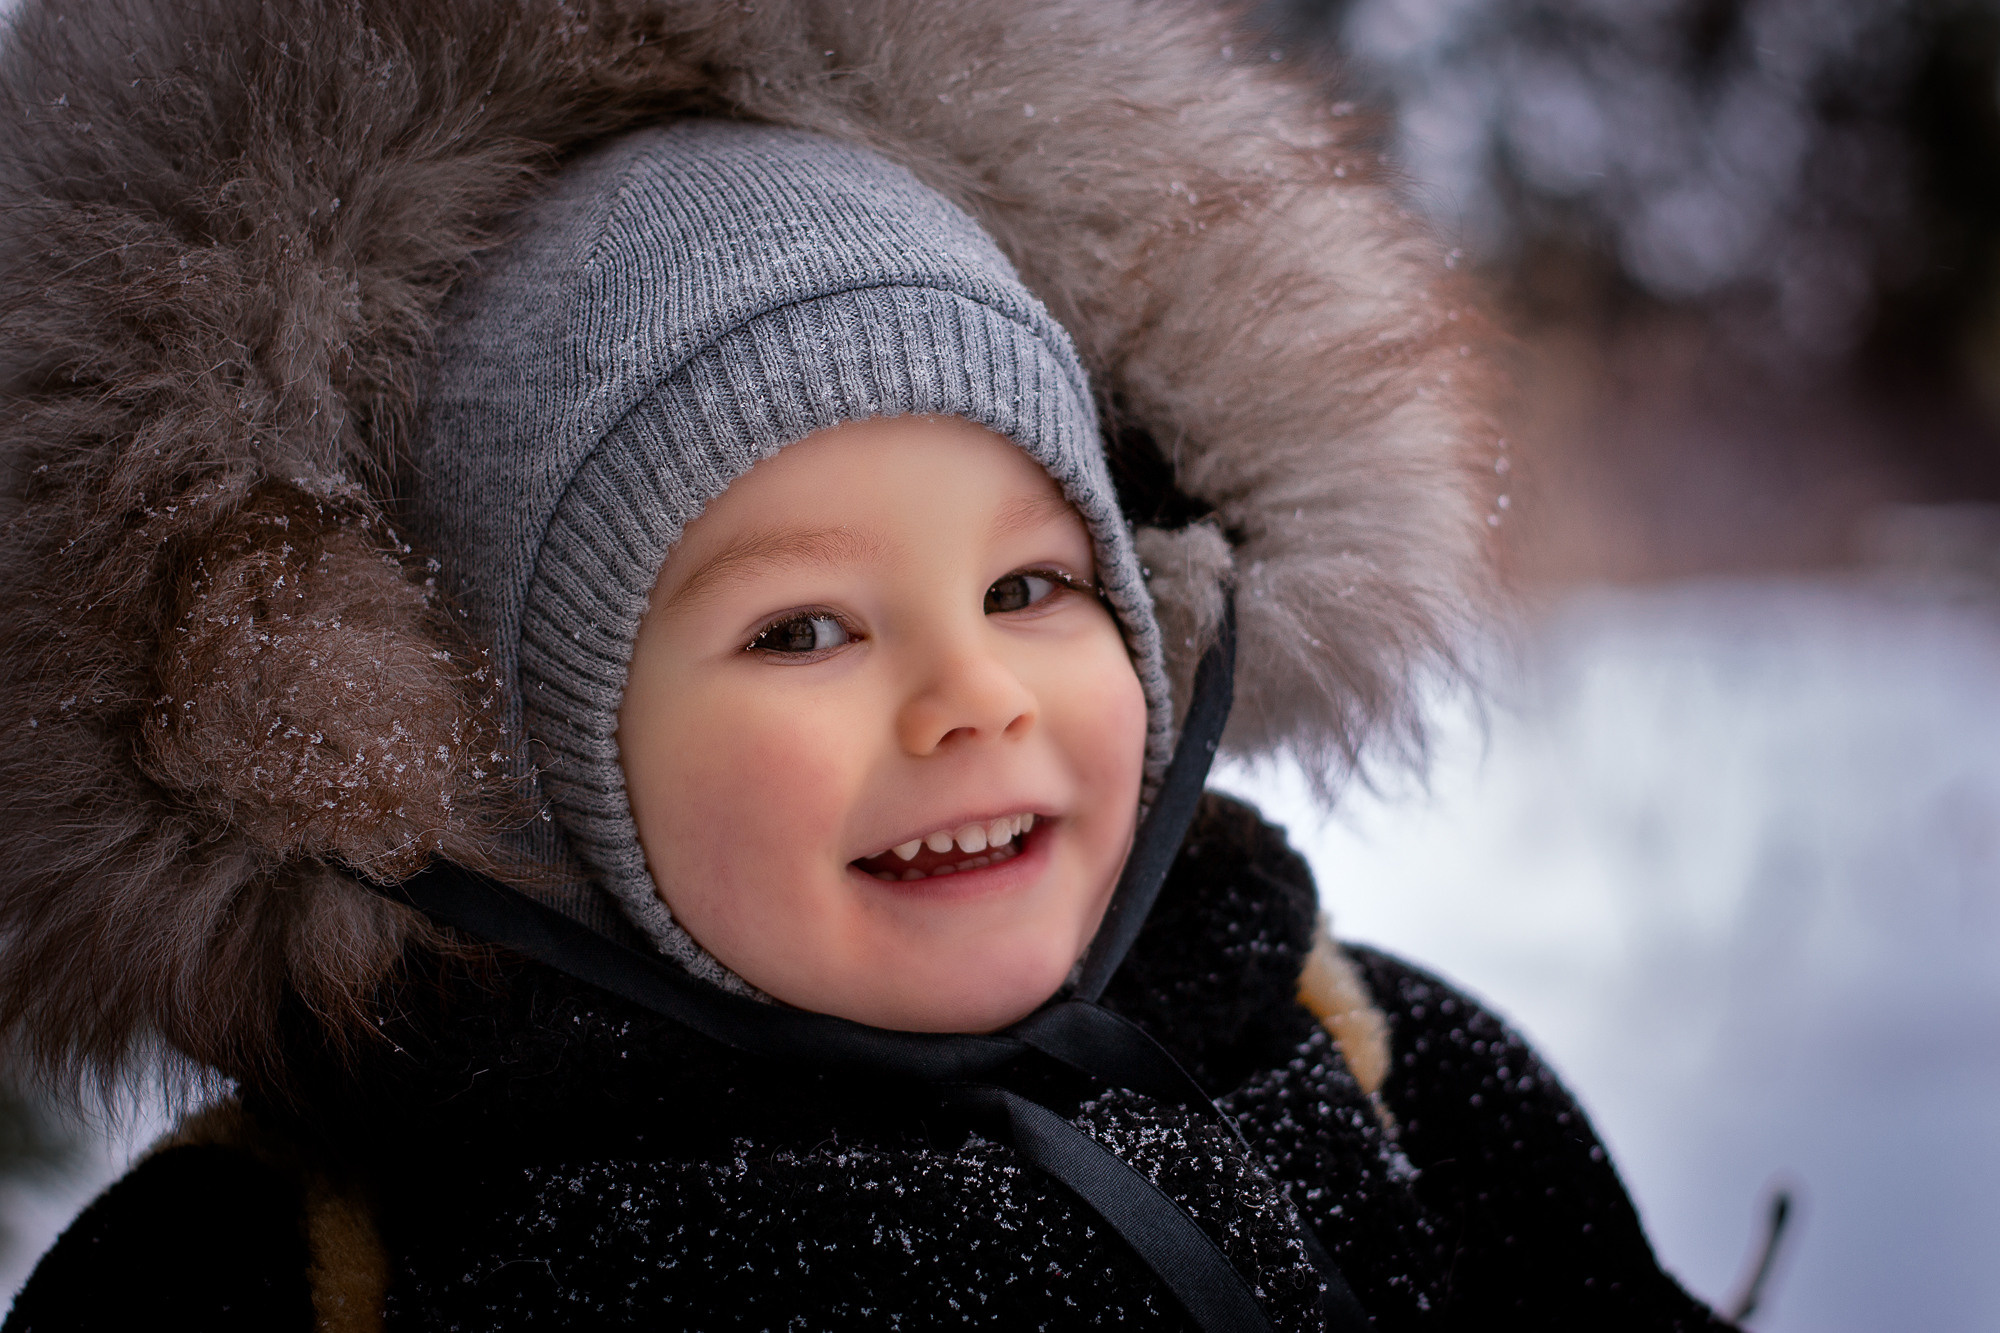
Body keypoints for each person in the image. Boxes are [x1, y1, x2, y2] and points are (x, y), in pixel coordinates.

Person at [0, 2, 1738, 1329]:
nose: (971, 696)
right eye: (805, 628)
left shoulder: (1370, 1069)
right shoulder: (312, 1257)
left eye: (1035, 587)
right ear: (519, 752)